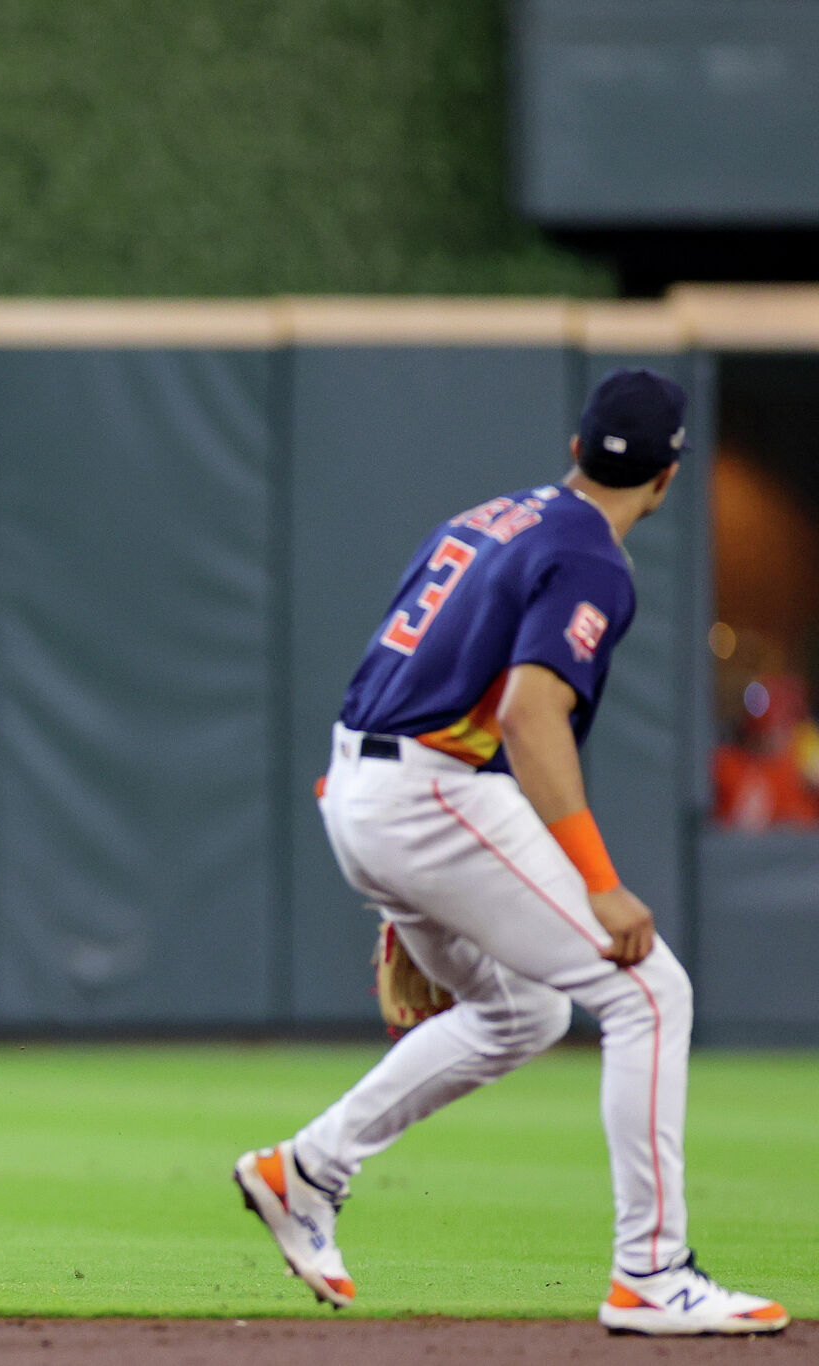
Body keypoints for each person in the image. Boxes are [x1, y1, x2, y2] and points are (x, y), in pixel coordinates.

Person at [235, 370, 787, 1336]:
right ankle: (653, 1274)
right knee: (652, 991)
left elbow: (403, 670)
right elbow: (534, 716)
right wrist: (601, 885)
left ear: (577, 449)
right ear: (668, 477)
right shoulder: (594, 560)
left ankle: (309, 1167)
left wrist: (407, 882)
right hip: (430, 791)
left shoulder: (488, 517)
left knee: (523, 1011)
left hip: (364, 784)